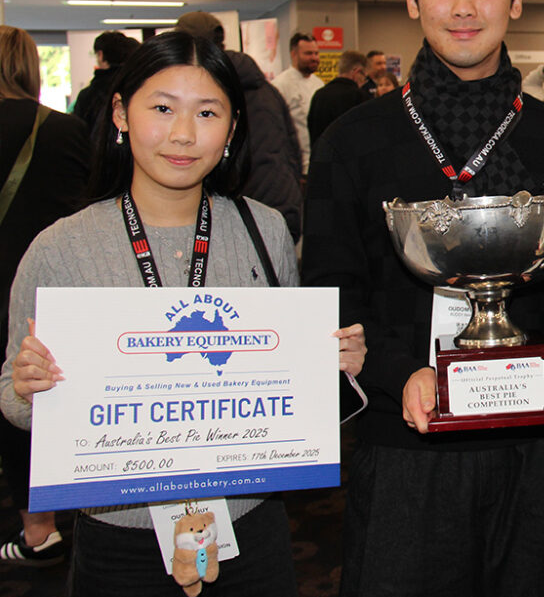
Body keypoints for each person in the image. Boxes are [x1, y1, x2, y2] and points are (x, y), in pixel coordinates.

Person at [302, 0, 544, 597]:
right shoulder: (353, 143)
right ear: (411, 0)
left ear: (515, 0)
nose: (464, 7)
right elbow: (331, 286)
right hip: (407, 439)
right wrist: (396, 369)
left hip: (536, 441)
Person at [0, 31, 366, 596]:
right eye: (162, 108)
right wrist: (29, 389)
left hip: (250, 522)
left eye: (208, 112)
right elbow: (13, 398)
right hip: (118, 534)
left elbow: (288, 376)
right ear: (121, 113)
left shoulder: (264, 231)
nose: (183, 134)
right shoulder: (60, 248)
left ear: (232, 127)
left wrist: (332, 364)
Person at [0, 26, 89, 566]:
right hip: (53, 288)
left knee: (15, 393)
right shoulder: (67, 130)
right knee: (47, 391)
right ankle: (48, 520)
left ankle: (35, 530)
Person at [174, 11, 304, 242]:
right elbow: (292, 148)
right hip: (281, 205)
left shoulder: (208, 91)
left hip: (240, 216)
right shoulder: (266, 90)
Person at [71, 31, 141, 139]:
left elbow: (78, 134)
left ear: (100, 55)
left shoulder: (89, 95)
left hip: (95, 153)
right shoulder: (137, 85)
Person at [271, 33, 324, 175]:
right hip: (294, 166)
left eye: (316, 53)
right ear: (294, 54)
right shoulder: (280, 85)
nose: (314, 58)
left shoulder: (319, 84)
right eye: (308, 53)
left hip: (317, 160)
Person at [307, 49, 368, 148]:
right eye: (364, 77)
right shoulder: (359, 96)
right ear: (356, 72)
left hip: (321, 158)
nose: (363, 82)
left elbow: (312, 131)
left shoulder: (319, 95)